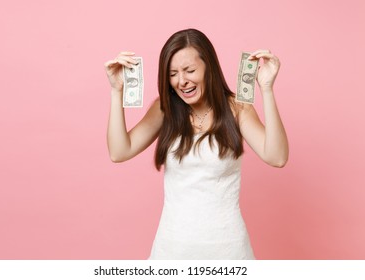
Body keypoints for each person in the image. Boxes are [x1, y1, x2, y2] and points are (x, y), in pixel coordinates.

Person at [105, 28, 288, 259]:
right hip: (172, 249)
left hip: (227, 250)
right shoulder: (165, 109)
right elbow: (119, 151)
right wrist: (116, 92)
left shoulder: (237, 109)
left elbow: (277, 156)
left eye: (189, 70)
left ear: (208, 67)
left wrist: (267, 89)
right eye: (172, 74)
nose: (182, 81)